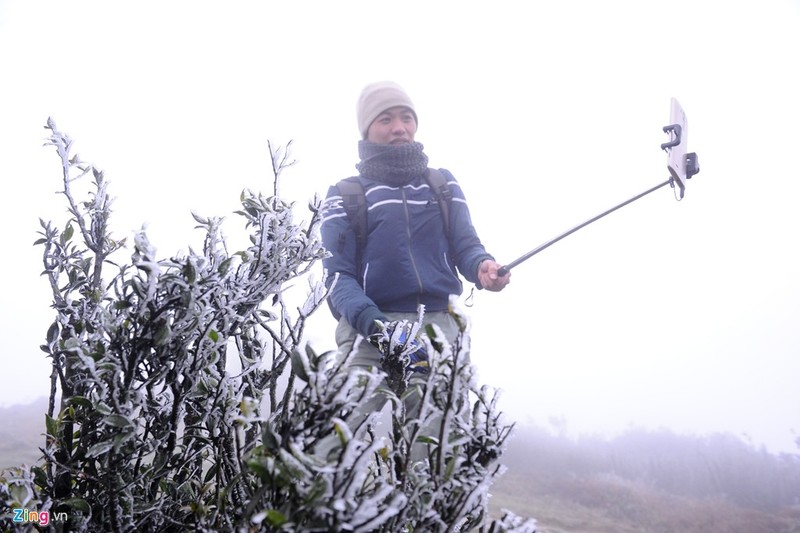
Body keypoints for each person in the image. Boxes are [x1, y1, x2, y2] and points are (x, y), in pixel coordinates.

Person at [318, 82, 510, 457]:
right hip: (367, 330)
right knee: (328, 445)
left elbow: (466, 245)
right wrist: (377, 327)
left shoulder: (442, 183)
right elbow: (337, 278)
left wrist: (483, 268)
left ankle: (424, 516)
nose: (399, 127)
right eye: (385, 119)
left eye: (406, 117)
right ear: (367, 129)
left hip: (439, 330)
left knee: (436, 456)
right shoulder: (344, 194)